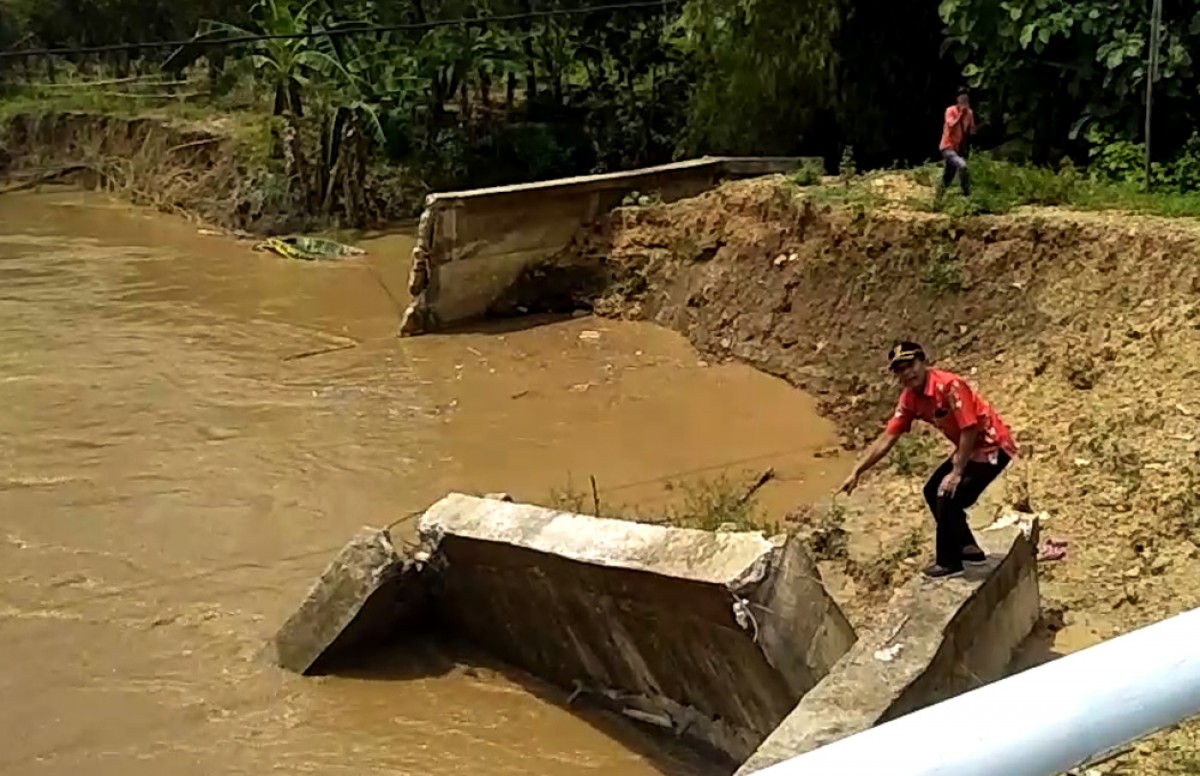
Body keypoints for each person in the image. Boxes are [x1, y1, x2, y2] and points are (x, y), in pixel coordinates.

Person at [838, 341, 1017, 578]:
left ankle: (949, 561)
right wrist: (857, 471)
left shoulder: (950, 386)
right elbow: (887, 438)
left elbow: (970, 428)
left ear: (923, 362)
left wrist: (957, 472)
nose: (907, 373)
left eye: (910, 365)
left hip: (992, 446)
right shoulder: (910, 399)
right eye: (900, 369)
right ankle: (967, 546)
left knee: (946, 495)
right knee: (932, 490)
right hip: (969, 448)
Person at [939, 87, 977, 197]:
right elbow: (951, 125)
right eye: (962, 98)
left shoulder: (969, 113)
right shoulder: (950, 110)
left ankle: (938, 198)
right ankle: (966, 194)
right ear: (957, 99)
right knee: (962, 166)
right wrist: (961, 114)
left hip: (957, 148)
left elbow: (972, 131)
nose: (964, 100)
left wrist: (973, 122)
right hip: (947, 146)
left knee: (948, 176)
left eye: (966, 98)